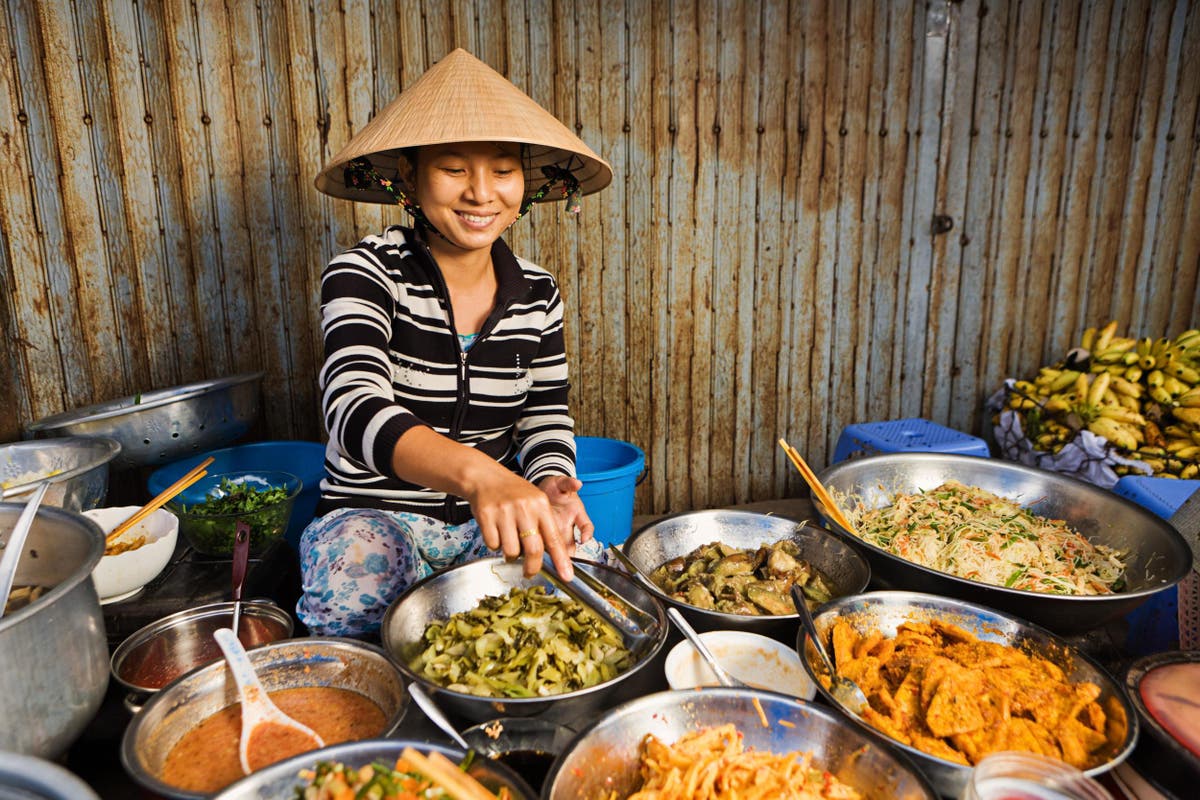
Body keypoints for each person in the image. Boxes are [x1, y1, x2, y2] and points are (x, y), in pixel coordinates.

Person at [300, 48, 614, 637]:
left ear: (525, 180)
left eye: (502, 169)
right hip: (374, 516)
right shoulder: (364, 271)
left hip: (484, 522)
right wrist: (481, 476)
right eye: (452, 168)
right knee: (363, 586)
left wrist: (548, 483)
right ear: (410, 178)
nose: (480, 193)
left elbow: (544, 413)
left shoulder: (539, 292)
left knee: (582, 583)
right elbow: (352, 407)